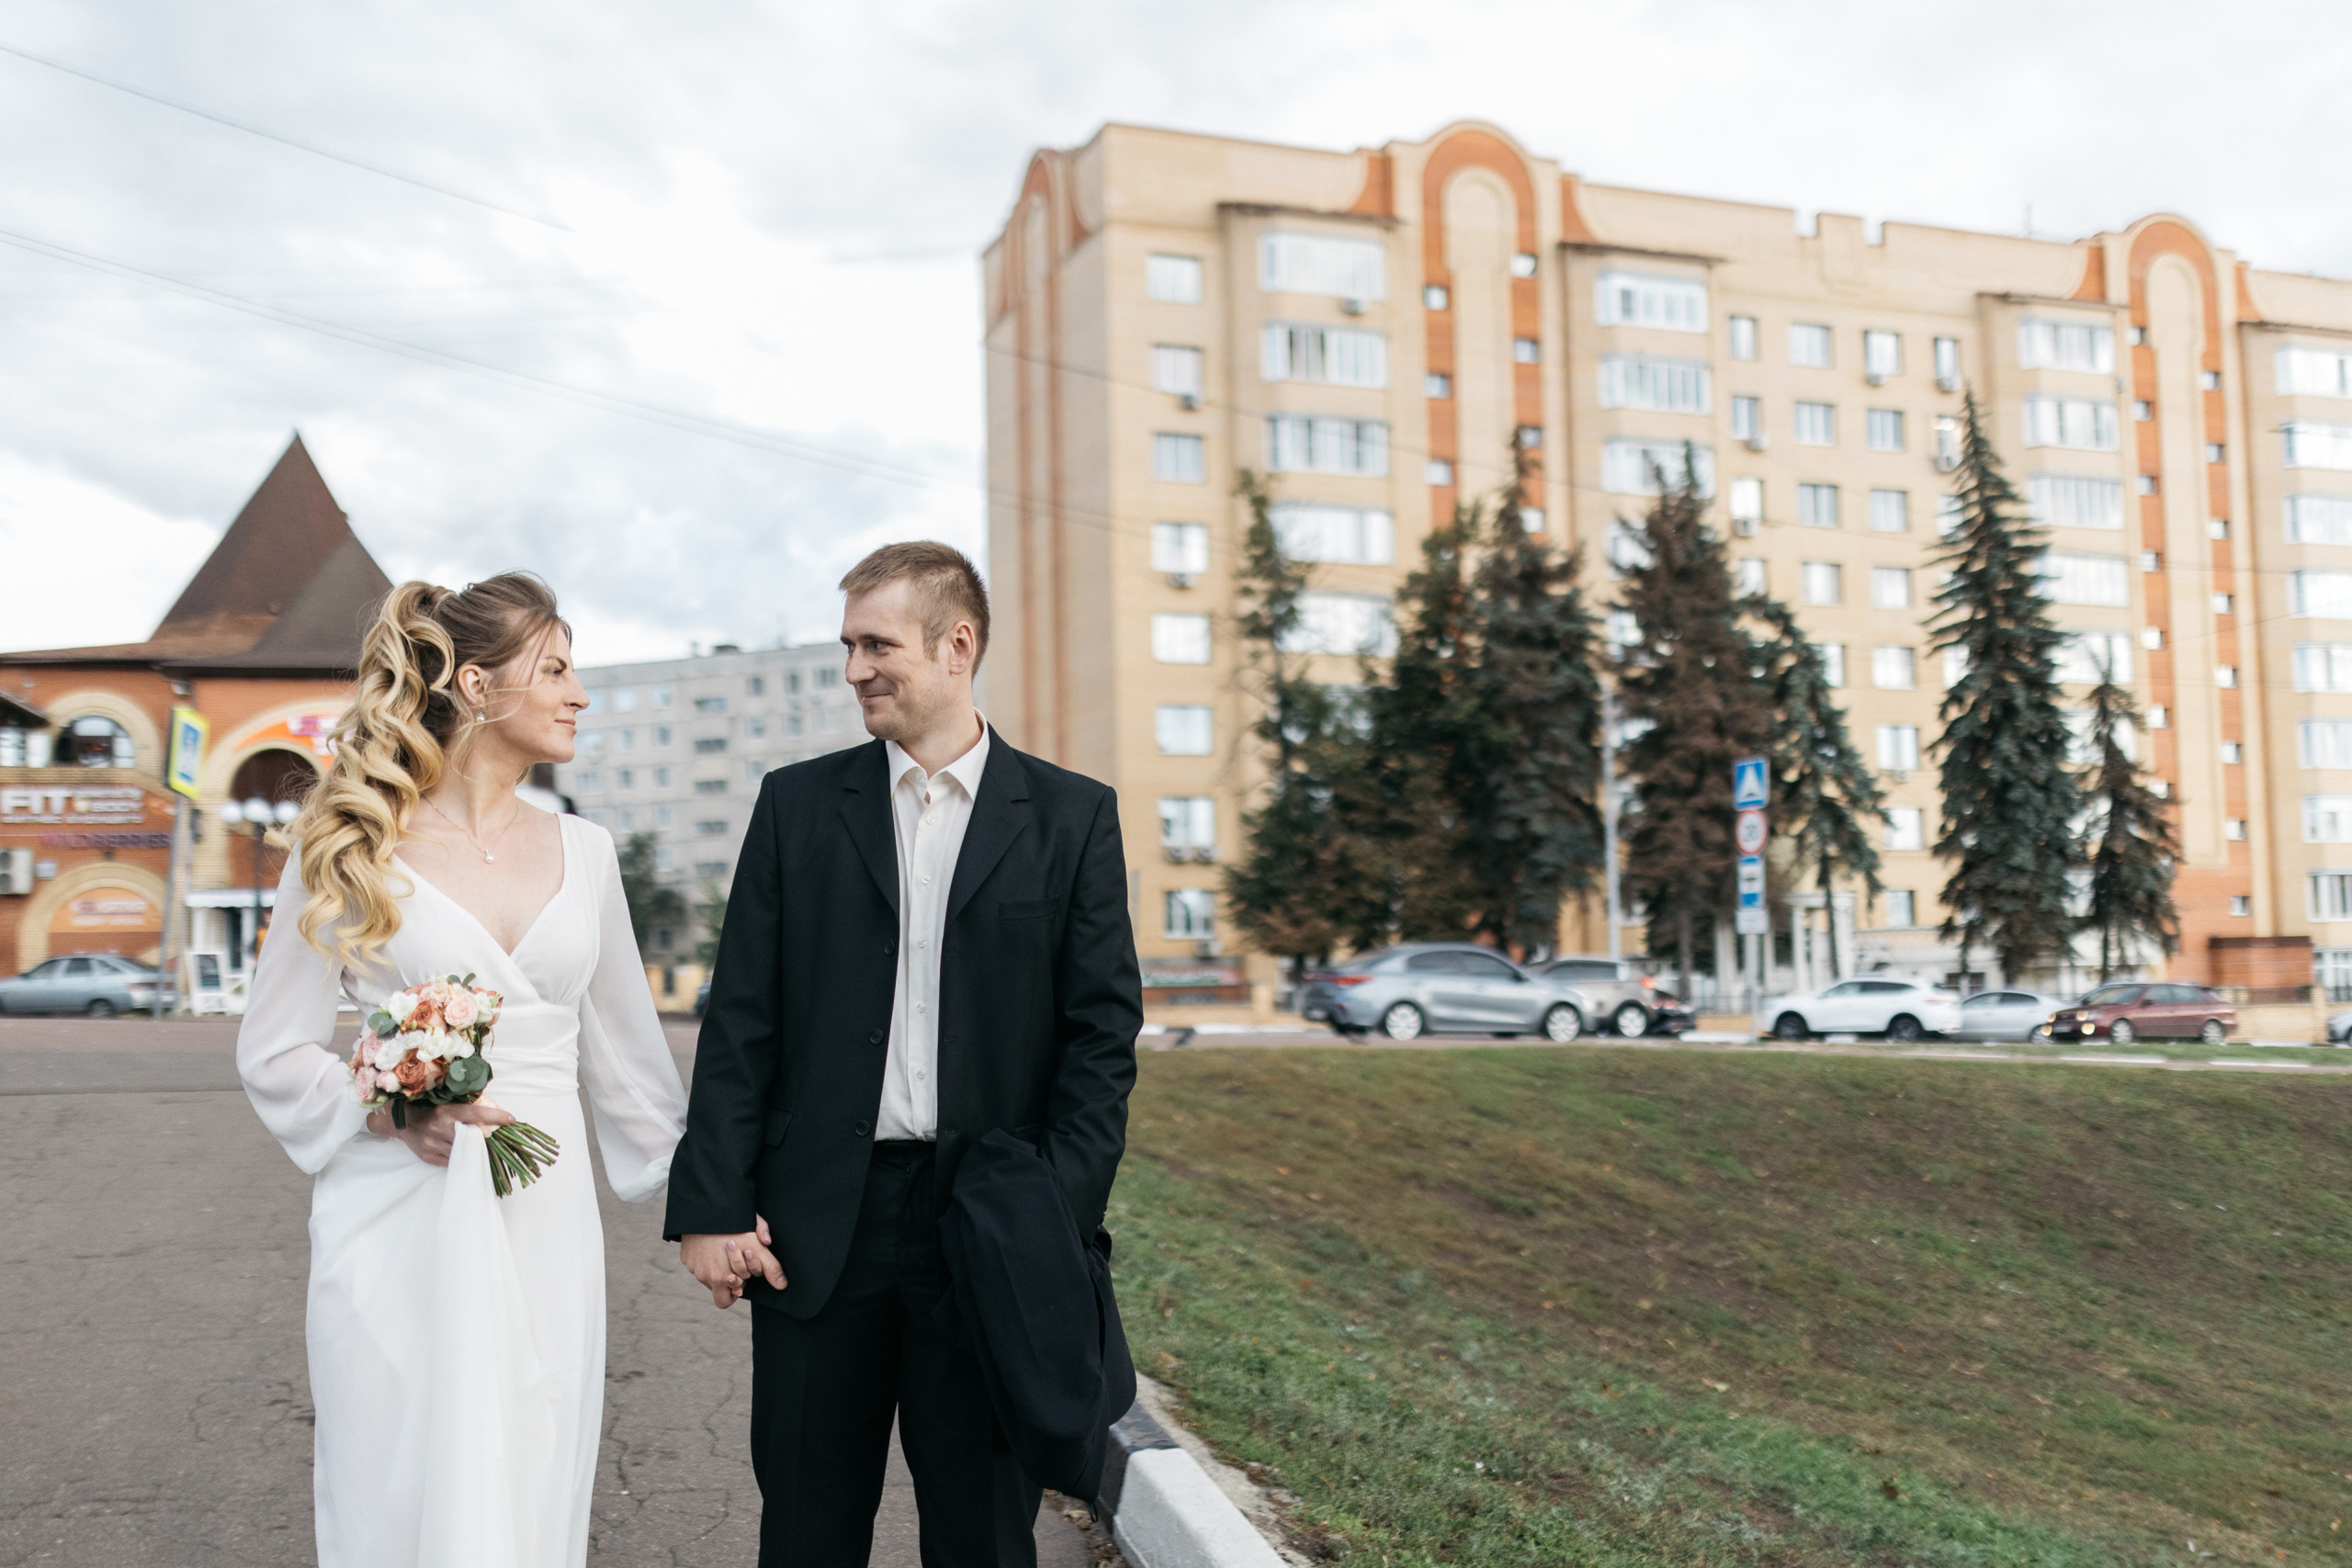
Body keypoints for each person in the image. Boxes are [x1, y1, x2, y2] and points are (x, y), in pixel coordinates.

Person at [666, 542, 1142, 1568]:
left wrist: (1053, 1210)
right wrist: (710, 1201)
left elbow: (1100, 1040)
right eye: (848, 647)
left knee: (981, 1535)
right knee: (804, 1525)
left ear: (956, 645)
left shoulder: (1070, 818)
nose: (854, 670)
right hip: (817, 1226)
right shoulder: (797, 806)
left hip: (989, 1233)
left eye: (876, 645)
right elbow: (743, 1017)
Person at [236, 573, 687, 1568]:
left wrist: (716, 1206)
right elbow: (272, 1048)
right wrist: (388, 1109)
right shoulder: (349, 844)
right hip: (397, 1211)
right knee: (395, 1476)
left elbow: (627, 1064)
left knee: (531, 1464)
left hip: (544, 1208)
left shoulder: (589, 851)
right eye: (557, 670)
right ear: (477, 688)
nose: (579, 696)